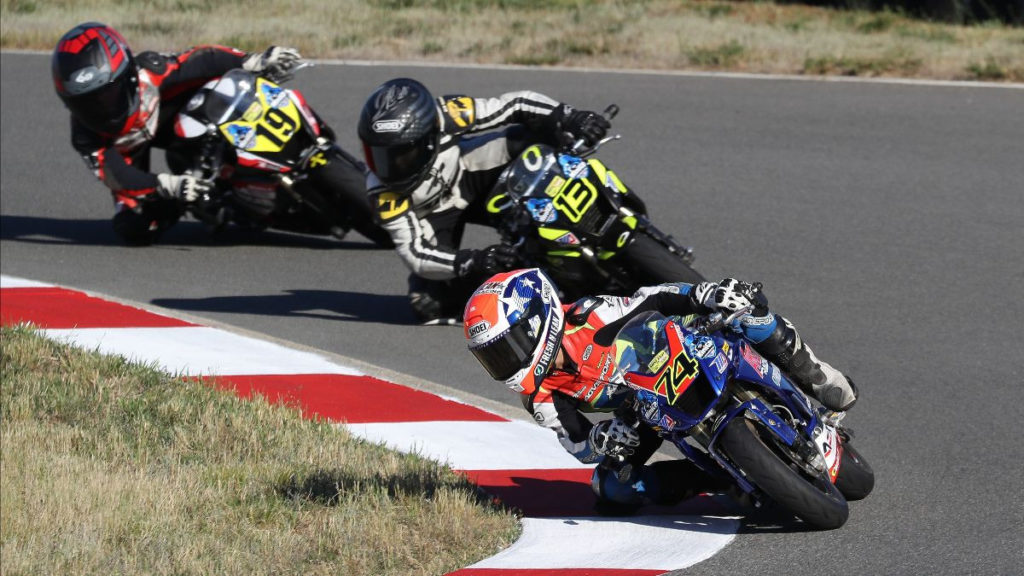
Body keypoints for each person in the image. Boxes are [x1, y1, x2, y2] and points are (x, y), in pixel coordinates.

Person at [463, 268, 858, 512]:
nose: (505, 363)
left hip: (685, 344)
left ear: (536, 320)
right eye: (493, 357)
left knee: (750, 315)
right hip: (644, 409)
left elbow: (650, 298)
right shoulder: (540, 395)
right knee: (611, 488)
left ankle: (816, 378)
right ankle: (726, 478)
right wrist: (603, 438)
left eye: (507, 347)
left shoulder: (590, 315)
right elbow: (576, 443)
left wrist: (704, 295)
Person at [357, 77, 612, 324]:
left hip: (470, 172)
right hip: (434, 215)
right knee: (428, 303)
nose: (388, 167)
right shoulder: (382, 191)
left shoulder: (447, 113)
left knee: (535, 135)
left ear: (428, 137)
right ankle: (526, 279)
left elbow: (516, 104)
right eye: (377, 155)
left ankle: (599, 202)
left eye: (401, 155)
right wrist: (474, 260)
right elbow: (414, 252)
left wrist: (569, 117)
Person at [52, 22, 309, 245]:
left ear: (127, 76)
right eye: (86, 104)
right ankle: (210, 199)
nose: (100, 109)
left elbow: (201, 59)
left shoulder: (150, 72)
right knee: (133, 228)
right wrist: (167, 185)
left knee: (228, 86)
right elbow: (118, 176)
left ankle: (289, 135)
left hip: (193, 115)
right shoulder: (86, 136)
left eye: (106, 96)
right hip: (136, 155)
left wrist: (252, 60)